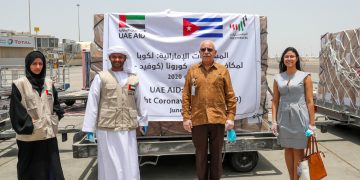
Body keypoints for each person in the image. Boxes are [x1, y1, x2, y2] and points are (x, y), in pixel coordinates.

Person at [82, 46, 147, 180]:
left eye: (120, 57)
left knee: (129, 161)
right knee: (110, 163)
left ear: (125, 59)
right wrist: (89, 128)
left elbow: (140, 101)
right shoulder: (101, 77)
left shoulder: (133, 79)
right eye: (114, 57)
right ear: (110, 58)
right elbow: (92, 103)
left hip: (127, 128)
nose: (117, 59)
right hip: (107, 129)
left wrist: (143, 120)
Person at [182, 40, 237, 180]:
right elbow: (186, 95)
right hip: (198, 120)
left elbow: (230, 95)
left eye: (209, 49)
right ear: (199, 52)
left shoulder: (222, 70)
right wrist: (186, 118)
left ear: (215, 53)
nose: (206, 51)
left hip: (218, 120)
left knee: (217, 157)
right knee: (200, 156)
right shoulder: (193, 70)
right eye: (203, 49)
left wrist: (230, 117)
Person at [9, 51, 65, 180]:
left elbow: (56, 104)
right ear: (28, 65)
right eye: (34, 64)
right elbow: (16, 110)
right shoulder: (19, 84)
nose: (38, 67)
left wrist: (54, 117)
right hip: (29, 138)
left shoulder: (49, 83)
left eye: (40, 63)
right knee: (31, 172)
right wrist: (29, 124)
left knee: (52, 171)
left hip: (49, 136)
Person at [271, 47, 316, 180]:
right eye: (286, 56)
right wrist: (274, 121)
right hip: (283, 117)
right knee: (288, 149)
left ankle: (297, 179)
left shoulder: (305, 76)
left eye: (292, 56)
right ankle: (292, 178)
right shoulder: (278, 77)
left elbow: (309, 101)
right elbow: (275, 101)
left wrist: (312, 124)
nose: (289, 59)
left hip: (300, 117)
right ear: (283, 59)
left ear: (296, 59)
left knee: (298, 150)